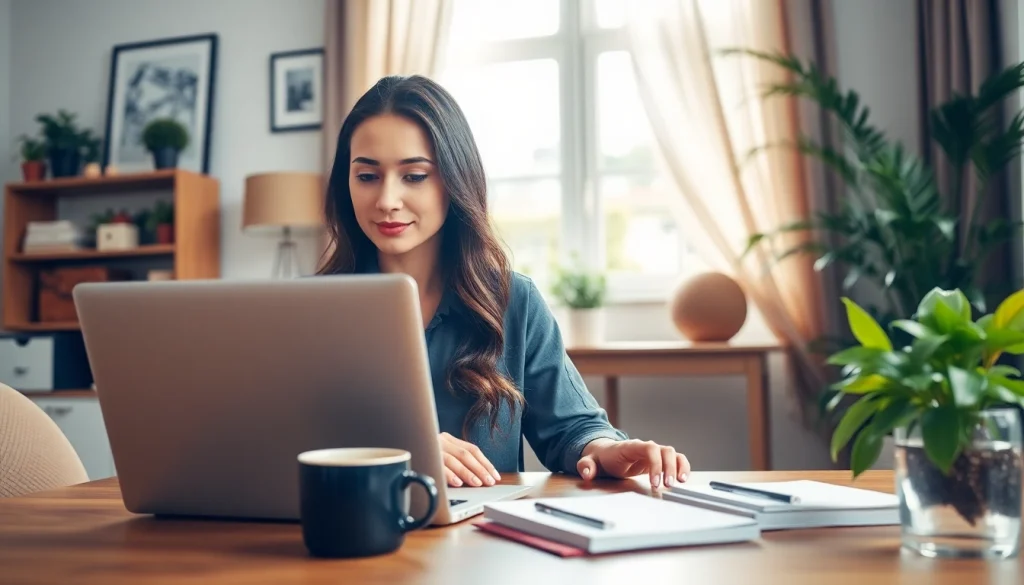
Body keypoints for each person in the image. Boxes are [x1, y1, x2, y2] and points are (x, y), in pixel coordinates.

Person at [317, 74, 691, 490]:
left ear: (455, 180)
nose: (386, 200)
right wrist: (398, 448)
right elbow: (278, 438)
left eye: (415, 176)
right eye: (367, 176)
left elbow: (573, 428)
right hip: (348, 536)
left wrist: (603, 449)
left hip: (482, 542)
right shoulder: (312, 310)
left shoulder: (514, 301)